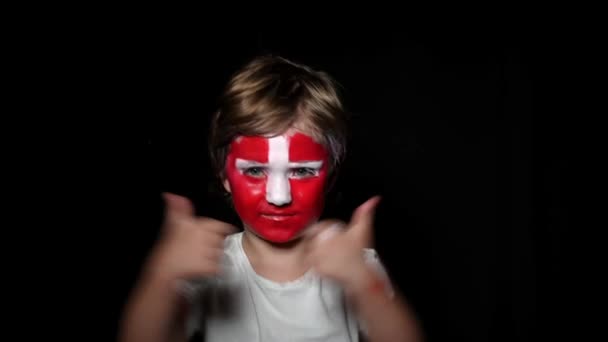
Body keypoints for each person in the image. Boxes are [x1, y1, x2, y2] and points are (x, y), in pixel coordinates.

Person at [119, 55, 423, 342]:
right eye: (254, 170)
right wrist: (161, 277)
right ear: (224, 176)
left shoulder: (352, 263)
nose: (279, 197)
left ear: (329, 176)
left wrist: (364, 283)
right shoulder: (212, 264)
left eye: (302, 171)